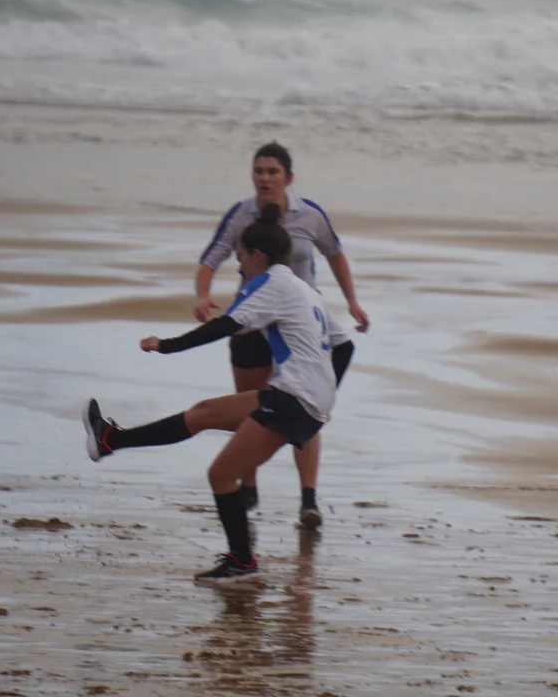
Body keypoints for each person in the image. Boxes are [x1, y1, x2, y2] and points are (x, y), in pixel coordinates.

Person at [83, 205, 341, 581]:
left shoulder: (274, 284)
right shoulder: (305, 289)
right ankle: (109, 440)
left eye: (241, 258)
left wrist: (165, 345)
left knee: (221, 474)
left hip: (294, 400)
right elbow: (344, 343)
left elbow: (226, 326)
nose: (239, 267)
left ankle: (242, 561)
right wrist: (325, 391)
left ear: (258, 256)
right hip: (298, 395)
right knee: (204, 412)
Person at [196, 142, 369, 528]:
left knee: (305, 409)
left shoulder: (310, 215)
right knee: (250, 408)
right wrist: (202, 295)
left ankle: (308, 499)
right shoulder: (241, 215)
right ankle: (248, 488)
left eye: (273, 171)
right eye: (259, 171)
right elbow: (211, 258)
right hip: (252, 324)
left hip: (302, 329)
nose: (265, 178)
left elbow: (335, 254)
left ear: (288, 177)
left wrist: (352, 303)